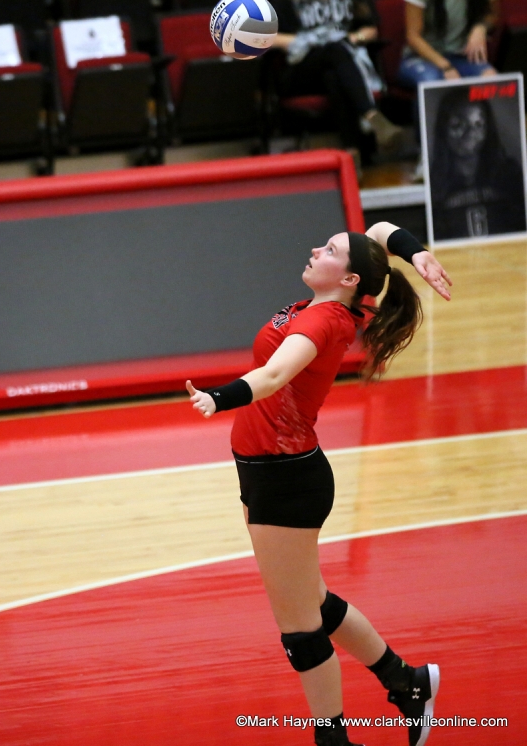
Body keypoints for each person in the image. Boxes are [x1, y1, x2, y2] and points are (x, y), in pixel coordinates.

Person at [187, 223, 452, 746]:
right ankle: (407, 682)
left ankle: (334, 741)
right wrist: (415, 253)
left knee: (300, 631)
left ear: (349, 279)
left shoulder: (325, 320)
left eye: (329, 250)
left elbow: (273, 376)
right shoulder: (333, 301)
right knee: (315, 603)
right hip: (269, 471)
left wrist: (218, 398)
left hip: (284, 479)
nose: (315, 248)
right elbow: (376, 232)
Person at [270, 0, 405, 156]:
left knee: (333, 75)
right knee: (334, 50)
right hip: (301, 70)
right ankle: (371, 116)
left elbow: (371, 30)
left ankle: (352, 154)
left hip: (342, 64)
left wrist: (352, 39)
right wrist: (311, 40)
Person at [428, 84, 526, 239]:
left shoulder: (509, 173)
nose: (470, 133)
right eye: (458, 125)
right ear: (443, 129)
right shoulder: (434, 181)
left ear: (488, 129)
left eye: (478, 124)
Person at [398, 0, 504, 89]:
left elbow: (493, 14)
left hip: (462, 57)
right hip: (422, 58)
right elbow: (413, 37)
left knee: (491, 78)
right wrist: (445, 66)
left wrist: (481, 28)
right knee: (435, 83)